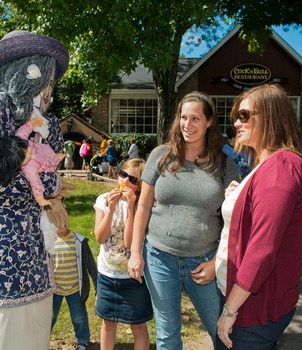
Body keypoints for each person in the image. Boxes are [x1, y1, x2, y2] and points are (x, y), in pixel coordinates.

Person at [0, 30, 70, 350]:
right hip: (5, 250)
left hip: (35, 249)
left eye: (52, 81)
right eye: (45, 78)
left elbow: (53, 162)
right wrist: (52, 188)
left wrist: (51, 185)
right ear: (26, 71)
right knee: (10, 335)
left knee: (36, 333)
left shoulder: (39, 118)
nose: (49, 89)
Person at [128, 91, 238, 349]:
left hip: (203, 263)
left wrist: (215, 262)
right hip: (159, 258)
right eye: (183, 118)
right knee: (167, 335)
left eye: (196, 119)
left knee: (220, 331)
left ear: (209, 122)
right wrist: (135, 252)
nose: (188, 125)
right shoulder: (161, 155)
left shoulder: (223, 163)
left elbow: (235, 220)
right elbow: (143, 205)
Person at [214, 84, 302, 350]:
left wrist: (231, 311)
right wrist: (240, 194)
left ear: (270, 116)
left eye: (244, 115)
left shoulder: (282, 167)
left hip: (252, 308)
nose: (236, 122)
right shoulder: (268, 164)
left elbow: (262, 250)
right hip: (244, 299)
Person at [94, 158, 153, 350]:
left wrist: (130, 208)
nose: (126, 182)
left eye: (133, 180)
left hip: (133, 277)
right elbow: (100, 237)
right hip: (107, 274)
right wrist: (111, 209)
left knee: (138, 325)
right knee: (108, 323)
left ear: (140, 186)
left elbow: (129, 244)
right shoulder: (103, 200)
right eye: (123, 175)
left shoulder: (140, 207)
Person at [0, 119, 65, 207]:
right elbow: (36, 184)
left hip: (44, 150)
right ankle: (57, 158)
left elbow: (24, 130)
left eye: (26, 147)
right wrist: (40, 200)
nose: (29, 154)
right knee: (57, 158)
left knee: (54, 153)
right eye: (24, 158)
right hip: (48, 162)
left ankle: (57, 156)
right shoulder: (29, 169)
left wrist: (31, 123)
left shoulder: (20, 139)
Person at [51, 226, 98, 350]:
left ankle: (82, 341)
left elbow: (91, 265)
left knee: (79, 317)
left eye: (65, 219)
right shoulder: (48, 240)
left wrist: (98, 287)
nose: (62, 223)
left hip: (75, 288)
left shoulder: (79, 241)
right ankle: (41, 339)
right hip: (55, 289)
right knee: (50, 316)